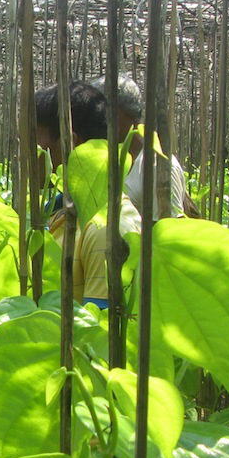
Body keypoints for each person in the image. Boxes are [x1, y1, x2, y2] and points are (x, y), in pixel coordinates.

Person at [36, 81, 141, 307]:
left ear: (68, 142)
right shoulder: (53, 212)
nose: (21, 153)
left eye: (31, 140)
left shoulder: (106, 230)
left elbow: (97, 333)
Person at [89, 74, 187, 220]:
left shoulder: (157, 167)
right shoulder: (111, 162)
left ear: (117, 112)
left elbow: (170, 234)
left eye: (97, 112)